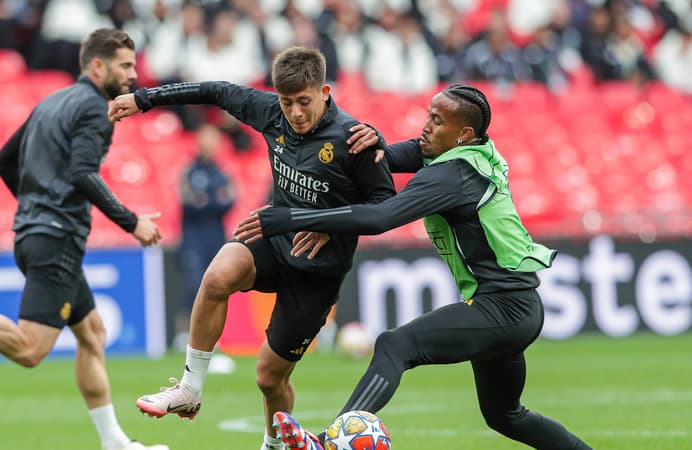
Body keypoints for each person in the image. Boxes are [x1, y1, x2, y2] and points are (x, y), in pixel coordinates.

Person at [235, 84, 593, 450]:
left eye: (437, 121)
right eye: (428, 116)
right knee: (505, 415)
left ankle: (328, 443)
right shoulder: (466, 152)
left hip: (504, 306)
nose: (426, 126)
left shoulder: (452, 175)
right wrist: (370, 141)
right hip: (515, 306)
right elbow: (375, 160)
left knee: (396, 344)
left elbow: (380, 217)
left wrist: (291, 218)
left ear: (463, 133)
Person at [107, 46, 395, 450]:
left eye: (304, 102)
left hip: (317, 271)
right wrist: (144, 98)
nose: (295, 113)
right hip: (273, 240)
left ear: (325, 92)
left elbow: (385, 209)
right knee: (217, 276)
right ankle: (189, 388)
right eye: (287, 102)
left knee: (269, 378)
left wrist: (327, 225)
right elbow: (215, 90)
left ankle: (274, 446)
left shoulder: (354, 139)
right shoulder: (271, 113)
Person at [0, 28, 166, 450]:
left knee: (92, 334)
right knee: (30, 351)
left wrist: (36, 206)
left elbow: (5, 160)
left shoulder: (51, 101)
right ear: (97, 66)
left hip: (38, 234)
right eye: (124, 66)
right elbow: (82, 173)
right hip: (54, 239)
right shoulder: (95, 108)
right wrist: (132, 222)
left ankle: (114, 442)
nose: (132, 74)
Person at [176, 123, 236, 340]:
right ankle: (184, 334)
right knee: (193, 286)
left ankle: (212, 337)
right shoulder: (189, 171)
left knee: (217, 287)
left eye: (213, 139)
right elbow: (189, 202)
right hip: (193, 239)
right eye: (206, 139)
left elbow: (229, 201)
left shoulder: (223, 173)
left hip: (216, 238)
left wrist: (206, 201)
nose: (210, 144)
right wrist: (213, 201)